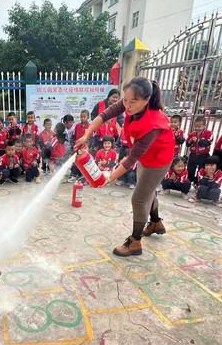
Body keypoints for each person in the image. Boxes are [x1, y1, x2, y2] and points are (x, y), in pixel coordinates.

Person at [75, 77, 175, 256]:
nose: (127, 106)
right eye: (125, 100)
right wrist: (87, 135)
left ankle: (135, 242)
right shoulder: (130, 101)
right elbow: (103, 115)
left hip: (159, 160)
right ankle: (155, 222)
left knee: (139, 198)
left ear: (146, 100)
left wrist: (109, 178)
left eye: (132, 102)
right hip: (146, 156)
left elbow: (130, 160)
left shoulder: (153, 124)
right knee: (147, 191)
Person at [186, 116, 213, 184]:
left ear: (204, 126)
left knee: (201, 169)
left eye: (199, 126)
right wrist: (190, 140)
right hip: (193, 154)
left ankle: (198, 183)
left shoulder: (208, 133)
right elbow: (187, 144)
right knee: (190, 169)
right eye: (195, 126)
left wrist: (198, 140)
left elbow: (208, 142)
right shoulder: (192, 134)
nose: (197, 128)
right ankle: (188, 182)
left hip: (203, 155)